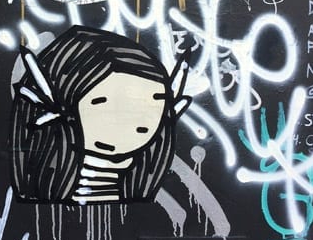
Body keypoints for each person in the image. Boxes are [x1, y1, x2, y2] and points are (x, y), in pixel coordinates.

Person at [10, 26, 191, 204]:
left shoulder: (141, 184)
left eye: (154, 103)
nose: (137, 121)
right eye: (102, 102)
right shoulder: (44, 191)